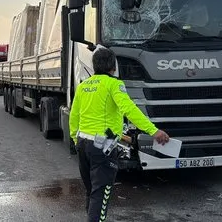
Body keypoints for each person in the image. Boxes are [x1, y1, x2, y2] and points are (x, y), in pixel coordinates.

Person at [69, 46, 169, 222]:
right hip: (103, 148)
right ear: (113, 67)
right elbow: (129, 109)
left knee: (92, 192)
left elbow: (74, 115)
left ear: (94, 65)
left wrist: (75, 138)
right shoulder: (114, 84)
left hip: (83, 144)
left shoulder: (84, 86)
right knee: (100, 195)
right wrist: (153, 130)